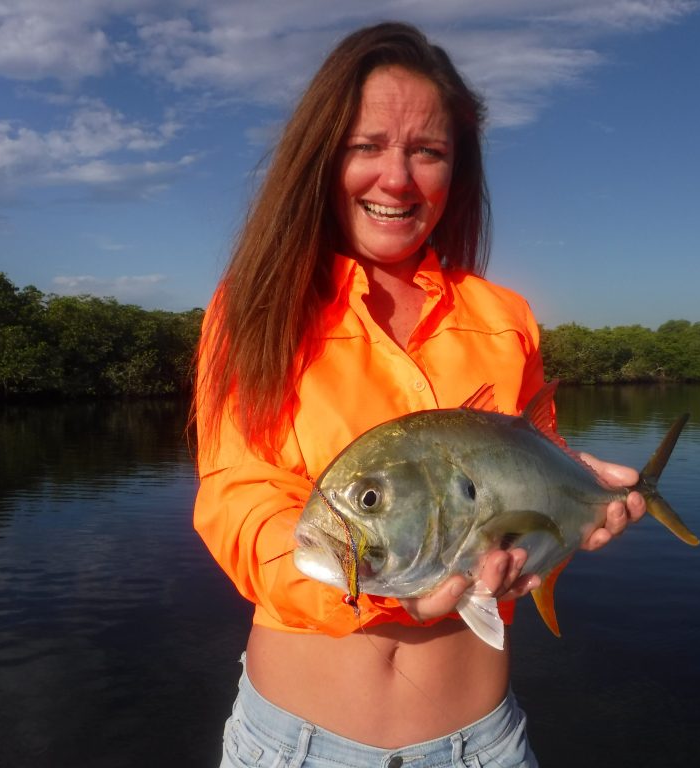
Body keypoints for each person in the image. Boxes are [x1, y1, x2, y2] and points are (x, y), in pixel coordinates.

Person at [193, 21, 646, 768]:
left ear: (456, 172)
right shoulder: (256, 307)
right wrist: (387, 593)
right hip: (295, 746)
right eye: (366, 146)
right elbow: (236, 499)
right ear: (320, 156)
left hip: (483, 746)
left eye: (427, 152)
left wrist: (573, 512)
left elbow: (527, 486)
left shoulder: (507, 319)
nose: (396, 179)